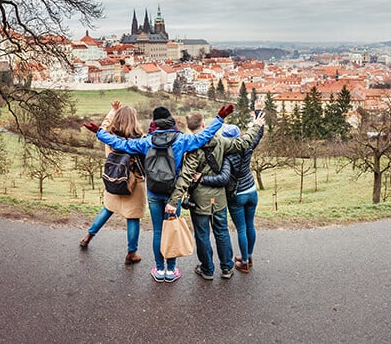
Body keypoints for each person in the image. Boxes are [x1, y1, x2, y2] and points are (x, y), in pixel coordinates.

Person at [83, 104, 234, 283]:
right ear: (170, 121)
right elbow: (203, 136)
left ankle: (159, 269)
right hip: (172, 194)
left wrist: (99, 133)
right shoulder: (181, 139)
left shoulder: (146, 141)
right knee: (171, 229)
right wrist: (219, 119)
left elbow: (121, 143)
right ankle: (171, 270)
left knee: (158, 232)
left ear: (155, 123)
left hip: (154, 191)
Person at [165, 112, 265, 280]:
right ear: (204, 125)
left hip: (199, 200)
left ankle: (207, 269)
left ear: (189, 129)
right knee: (222, 232)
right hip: (219, 198)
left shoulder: (192, 149)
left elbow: (185, 177)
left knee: (202, 235)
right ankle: (227, 268)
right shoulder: (220, 142)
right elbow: (244, 142)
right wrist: (256, 125)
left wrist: (173, 202)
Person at [79, 101, 147, 265]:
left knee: (108, 209)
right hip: (135, 184)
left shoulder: (110, 137)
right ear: (134, 119)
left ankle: (88, 237)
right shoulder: (141, 139)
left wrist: (112, 111)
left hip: (114, 178)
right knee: (133, 218)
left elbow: (101, 128)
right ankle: (131, 253)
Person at [223, 117, 264, 273]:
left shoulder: (225, 153)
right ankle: (249, 257)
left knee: (241, 229)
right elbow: (258, 135)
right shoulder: (247, 147)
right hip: (252, 191)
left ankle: (244, 262)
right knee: (250, 225)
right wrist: (258, 121)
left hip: (237, 194)